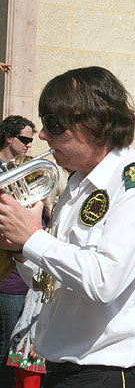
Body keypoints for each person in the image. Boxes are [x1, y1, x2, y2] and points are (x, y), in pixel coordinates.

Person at [0, 66, 135, 387]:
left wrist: (33, 238)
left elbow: (104, 282)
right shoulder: (78, 183)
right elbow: (51, 283)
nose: (42, 135)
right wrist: (21, 251)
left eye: (53, 123)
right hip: (66, 368)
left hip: (111, 373)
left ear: (93, 124)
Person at [0, 115, 36, 386]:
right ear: (8, 137)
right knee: (5, 345)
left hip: (19, 267)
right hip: (7, 273)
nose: (29, 144)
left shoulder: (18, 169)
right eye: (24, 139)